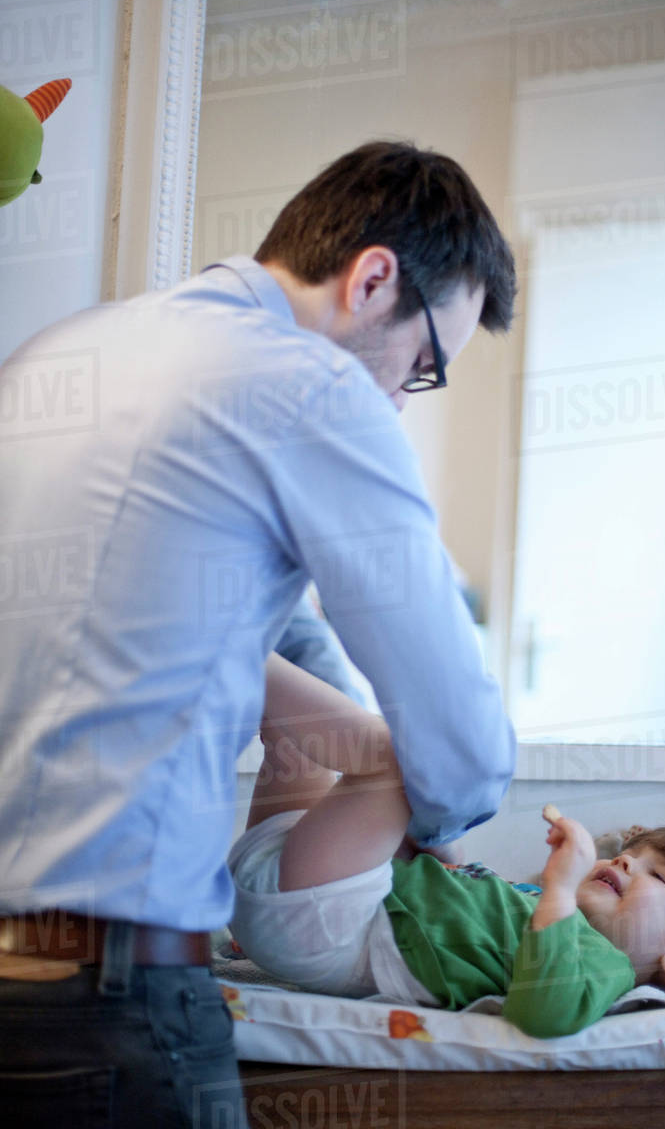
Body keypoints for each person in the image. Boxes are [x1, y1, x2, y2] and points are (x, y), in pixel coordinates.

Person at [0, 141, 517, 1124]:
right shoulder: (304, 386)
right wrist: (437, 826)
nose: (402, 400)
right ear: (373, 278)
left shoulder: (51, 355)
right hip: (105, 1000)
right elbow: (463, 746)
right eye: (424, 364)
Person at [229, 655, 665, 1038]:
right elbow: (448, 909)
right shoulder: (542, 910)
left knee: (400, 762)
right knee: (294, 733)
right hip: (311, 892)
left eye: (658, 877)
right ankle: (250, 649)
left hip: (326, 918)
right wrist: (439, 852)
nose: (626, 860)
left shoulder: (603, 967)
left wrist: (557, 888)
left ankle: (235, 643)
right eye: (636, 855)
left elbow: (540, 1013)